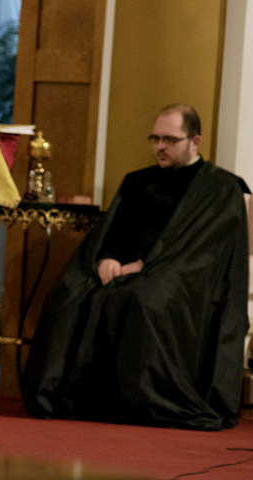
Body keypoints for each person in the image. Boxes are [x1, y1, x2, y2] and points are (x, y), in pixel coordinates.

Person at [22, 104, 250, 431]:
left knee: (145, 300)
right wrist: (108, 259)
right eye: (155, 138)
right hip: (123, 268)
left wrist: (145, 266)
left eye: (170, 139)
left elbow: (203, 253)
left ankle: (140, 402)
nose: (160, 146)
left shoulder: (219, 190)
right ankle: (67, 396)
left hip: (176, 277)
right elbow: (113, 230)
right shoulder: (137, 181)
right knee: (68, 294)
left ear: (195, 141)